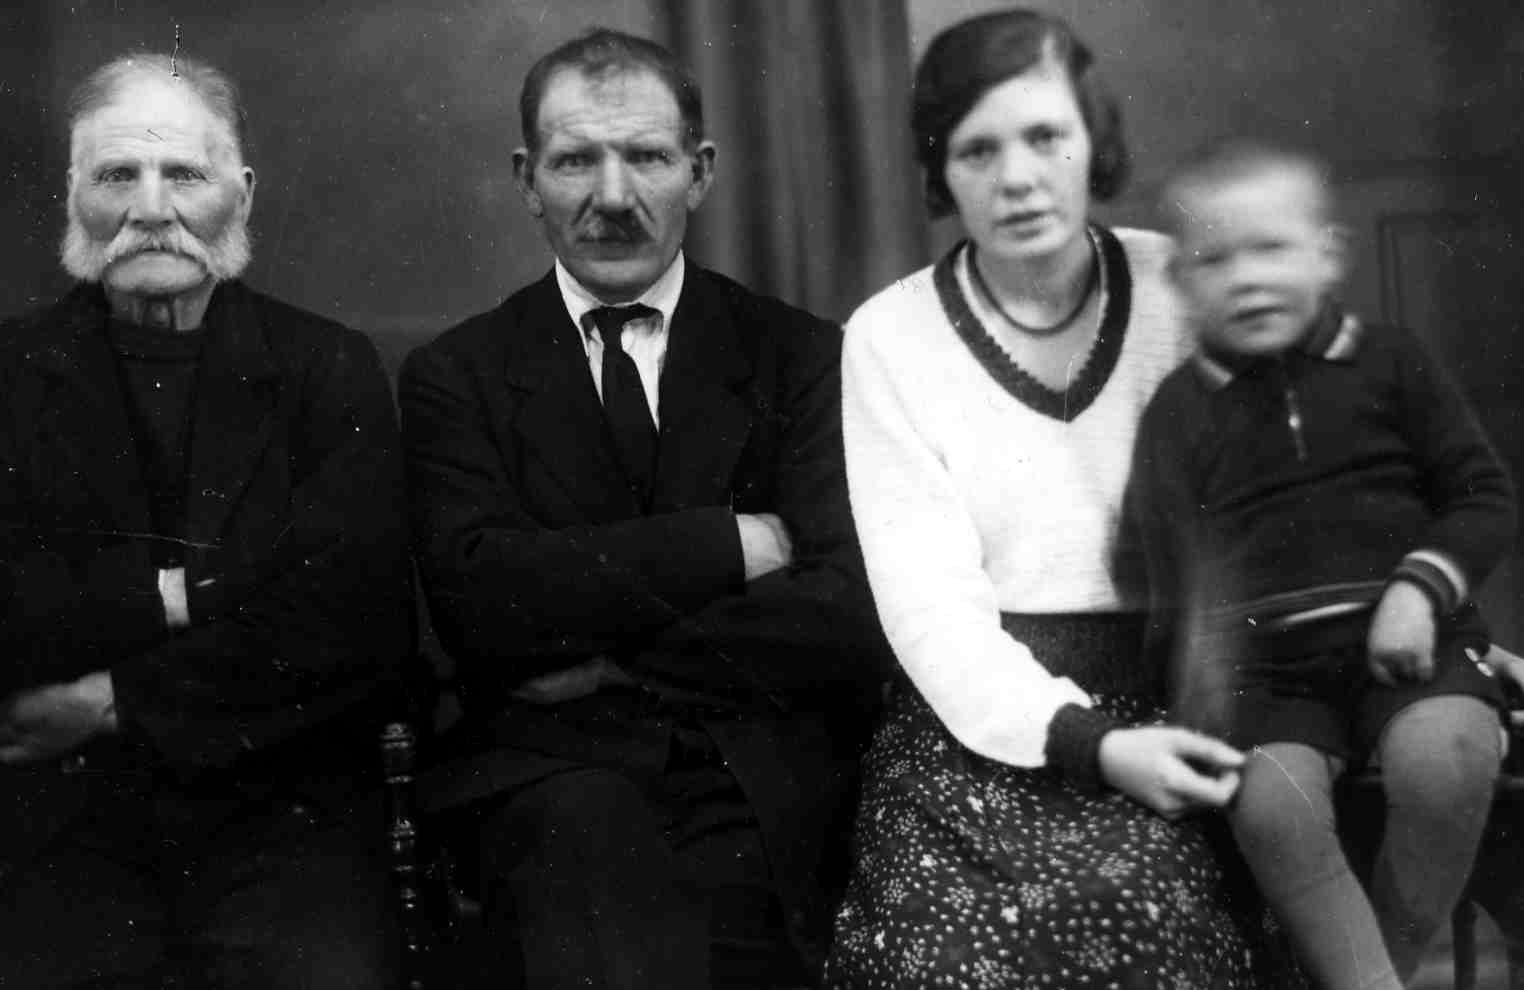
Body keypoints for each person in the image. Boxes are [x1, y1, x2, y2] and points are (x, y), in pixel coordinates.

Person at [399, 28, 890, 990]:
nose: (615, 196)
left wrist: (610, 656)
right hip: (548, 774)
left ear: (700, 172)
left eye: (648, 158)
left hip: (762, 770)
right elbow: (481, 607)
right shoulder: (456, 376)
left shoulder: (803, 357)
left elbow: (844, 609)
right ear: (526, 179)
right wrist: (725, 545)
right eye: (576, 161)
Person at [826, 10, 1287, 989]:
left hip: (1181, 703)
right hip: (975, 730)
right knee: (945, 959)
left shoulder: (1184, 287)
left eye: (1046, 136)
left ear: (1095, 139)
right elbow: (933, 614)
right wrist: (1091, 744)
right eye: (977, 150)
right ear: (940, 169)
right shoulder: (888, 338)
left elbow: (1299, 496)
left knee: (1142, 910)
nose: (1019, 178)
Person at [0, 53, 415, 988]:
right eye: (118, 174)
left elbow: (354, 625)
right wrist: (190, 592)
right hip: (59, 819)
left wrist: (109, 699)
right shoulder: (10, 374)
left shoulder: (326, 368)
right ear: (72, 193)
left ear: (243, 192)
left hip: (283, 812)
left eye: (184, 174)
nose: (151, 208)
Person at [1122, 138, 1516, 989]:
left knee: (1447, 757)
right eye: (1215, 260)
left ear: (1328, 254)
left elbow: (1483, 496)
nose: (1248, 278)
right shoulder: (1179, 413)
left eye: (1272, 248)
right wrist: (1185, 681)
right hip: (1268, 679)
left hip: (1411, 648)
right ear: (1180, 281)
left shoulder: (1392, 364)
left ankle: (1384, 967)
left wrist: (1420, 589)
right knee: (1273, 809)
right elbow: (1163, 566)